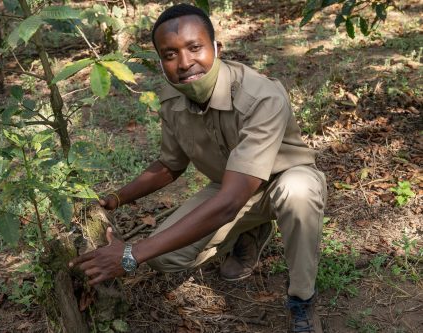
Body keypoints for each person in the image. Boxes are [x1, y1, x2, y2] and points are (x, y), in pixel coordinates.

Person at [69, 3, 327, 333]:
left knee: (298, 193)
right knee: (164, 257)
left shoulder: (261, 96)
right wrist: (115, 199)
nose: (185, 62)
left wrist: (131, 253)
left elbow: (231, 201)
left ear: (216, 48)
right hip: (230, 187)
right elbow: (169, 165)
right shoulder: (173, 98)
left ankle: (302, 301)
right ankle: (251, 230)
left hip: (283, 180)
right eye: (170, 54)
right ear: (161, 61)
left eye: (195, 47)